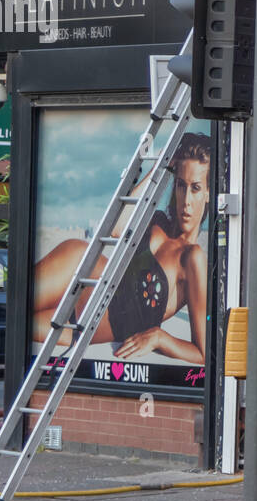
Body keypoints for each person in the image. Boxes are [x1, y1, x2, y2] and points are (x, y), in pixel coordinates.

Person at [31, 131, 210, 365]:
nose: (186, 199)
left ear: (208, 193)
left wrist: (159, 337)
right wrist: (163, 167)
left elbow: (203, 352)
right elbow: (116, 226)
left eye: (195, 188)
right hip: (79, 268)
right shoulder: (158, 222)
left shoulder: (192, 258)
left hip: (80, 325)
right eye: (180, 185)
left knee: (19, 318)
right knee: (16, 308)